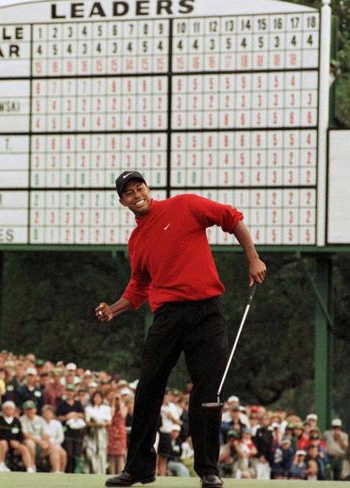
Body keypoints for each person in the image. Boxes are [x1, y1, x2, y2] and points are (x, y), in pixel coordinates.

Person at [96, 171, 266, 488]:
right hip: (167, 316)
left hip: (206, 310)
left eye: (139, 187)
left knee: (206, 390)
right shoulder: (136, 241)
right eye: (128, 193)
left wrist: (252, 258)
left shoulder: (184, 205)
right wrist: (113, 310)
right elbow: (138, 287)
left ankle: (208, 470)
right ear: (122, 202)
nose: (136, 194)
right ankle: (139, 469)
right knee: (148, 387)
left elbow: (231, 217)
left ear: (148, 188)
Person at [0, 400, 34, 472]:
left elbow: (20, 434)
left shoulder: (16, 421)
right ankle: (0, 464)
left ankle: (29, 468)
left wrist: (17, 441)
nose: (9, 410)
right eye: (7, 408)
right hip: (3, 442)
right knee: (3, 443)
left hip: (15, 444)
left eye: (11, 408)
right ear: (3, 409)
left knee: (24, 448)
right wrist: (10, 440)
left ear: (13, 410)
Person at [85, 391, 112, 474]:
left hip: (102, 433)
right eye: (95, 397)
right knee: (91, 452)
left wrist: (103, 424)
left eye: (99, 397)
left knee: (102, 451)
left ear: (102, 399)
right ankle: (92, 471)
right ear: (93, 398)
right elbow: (88, 422)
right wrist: (95, 424)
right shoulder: (88, 408)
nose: (97, 399)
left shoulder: (106, 408)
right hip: (92, 433)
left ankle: (102, 472)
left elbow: (109, 422)